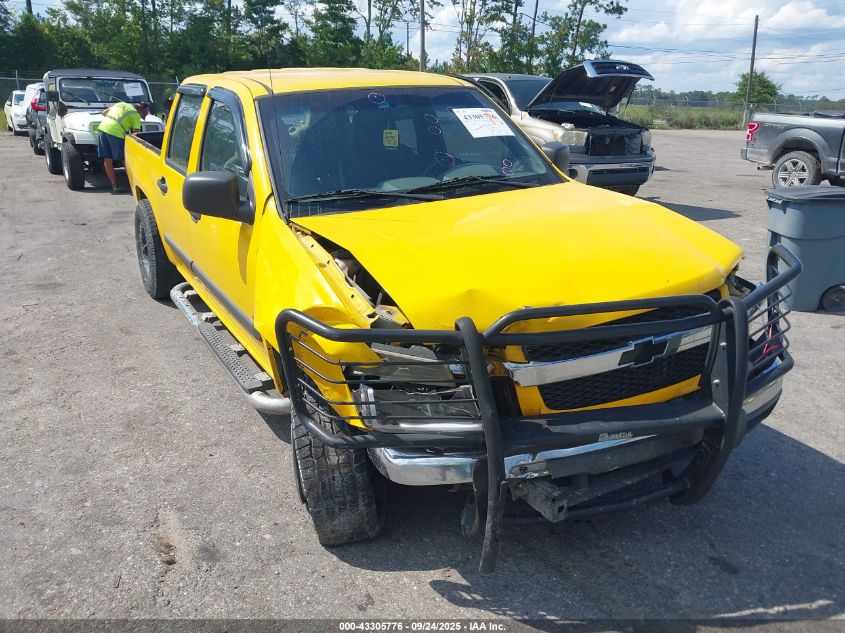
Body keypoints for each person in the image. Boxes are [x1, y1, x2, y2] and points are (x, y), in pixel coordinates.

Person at [97, 101, 149, 194]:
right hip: (116, 133)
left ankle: (114, 186)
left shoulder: (120, 104)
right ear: (141, 111)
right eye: (144, 114)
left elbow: (103, 113)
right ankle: (133, 185)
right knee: (125, 159)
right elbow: (135, 135)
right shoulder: (135, 114)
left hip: (102, 129)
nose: (143, 117)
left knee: (108, 160)